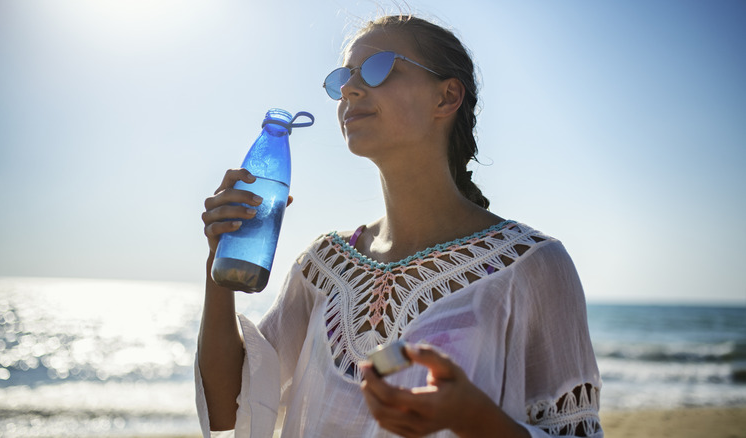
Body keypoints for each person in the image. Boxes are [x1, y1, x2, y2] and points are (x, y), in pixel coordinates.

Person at [197, 14, 602, 438]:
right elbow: (231, 412)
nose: (351, 89)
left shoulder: (531, 266)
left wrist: (476, 420)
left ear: (446, 97)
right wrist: (219, 263)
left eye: (379, 69)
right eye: (344, 77)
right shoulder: (322, 266)